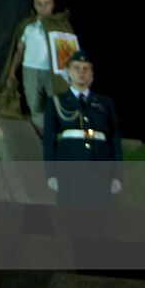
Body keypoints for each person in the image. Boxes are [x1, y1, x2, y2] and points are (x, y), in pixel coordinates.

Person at [43, 50, 121, 207]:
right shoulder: (57, 102)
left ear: (92, 73)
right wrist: (51, 173)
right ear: (68, 72)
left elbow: (114, 139)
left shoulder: (105, 103)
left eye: (86, 68)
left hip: (101, 167)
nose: (81, 72)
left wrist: (117, 175)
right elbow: (49, 139)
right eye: (76, 68)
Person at [0, 0, 76, 134]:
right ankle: (43, 137)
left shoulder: (60, 25)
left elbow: (70, 51)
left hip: (53, 72)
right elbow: (18, 51)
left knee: (57, 103)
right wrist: (11, 72)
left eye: (46, 3)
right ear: (34, 6)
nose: (43, 6)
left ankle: (58, 134)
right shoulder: (28, 26)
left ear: (52, 5)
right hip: (30, 69)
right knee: (34, 105)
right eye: (39, 3)